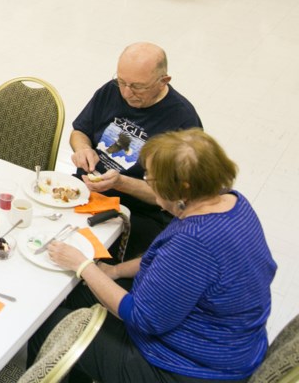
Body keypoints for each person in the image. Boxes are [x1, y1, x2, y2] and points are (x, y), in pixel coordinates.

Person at [33, 129, 276, 383]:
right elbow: (164, 261)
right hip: (231, 343)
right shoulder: (231, 202)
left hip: (188, 367)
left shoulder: (194, 241)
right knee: (74, 293)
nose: (147, 182)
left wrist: (82, 265)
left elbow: (141, 317)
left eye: (152, 178)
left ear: (182, 188)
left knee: (48, 325)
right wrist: (114, 271)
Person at [70, 42, 202, 258]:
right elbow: (79, 131)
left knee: (86, 262)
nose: (126, 93)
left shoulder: (183, 121)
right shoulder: (111, 91)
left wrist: (121, 183)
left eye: (138, 87)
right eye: (122, 82)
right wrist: (83, 148)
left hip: (139, 214)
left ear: (163, 81)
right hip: (85, 193)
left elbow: (176, 197)